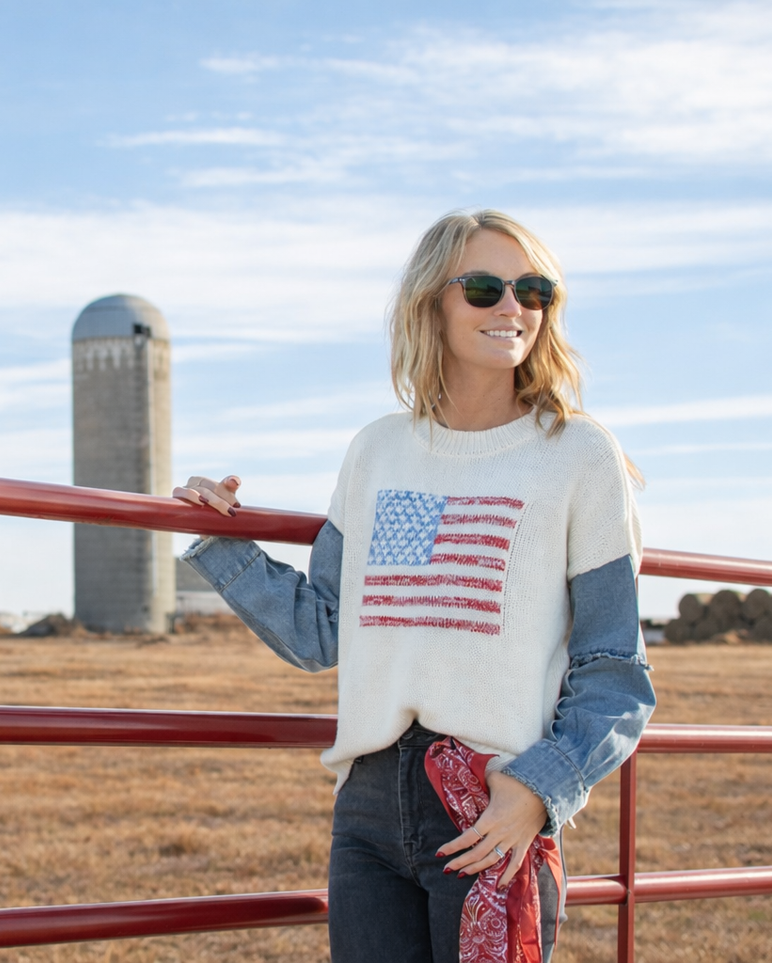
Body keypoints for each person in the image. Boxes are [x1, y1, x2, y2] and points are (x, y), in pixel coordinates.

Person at [174, 210, 655, 963]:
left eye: (534, 291)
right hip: (364, 807)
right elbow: (322, 630)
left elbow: (614, 674)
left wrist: (537, 790)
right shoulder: (377, 449)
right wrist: (221, 539)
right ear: (431, 301)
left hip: (488, 799)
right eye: (485, 288)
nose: (512, 307)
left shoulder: (577, 454)